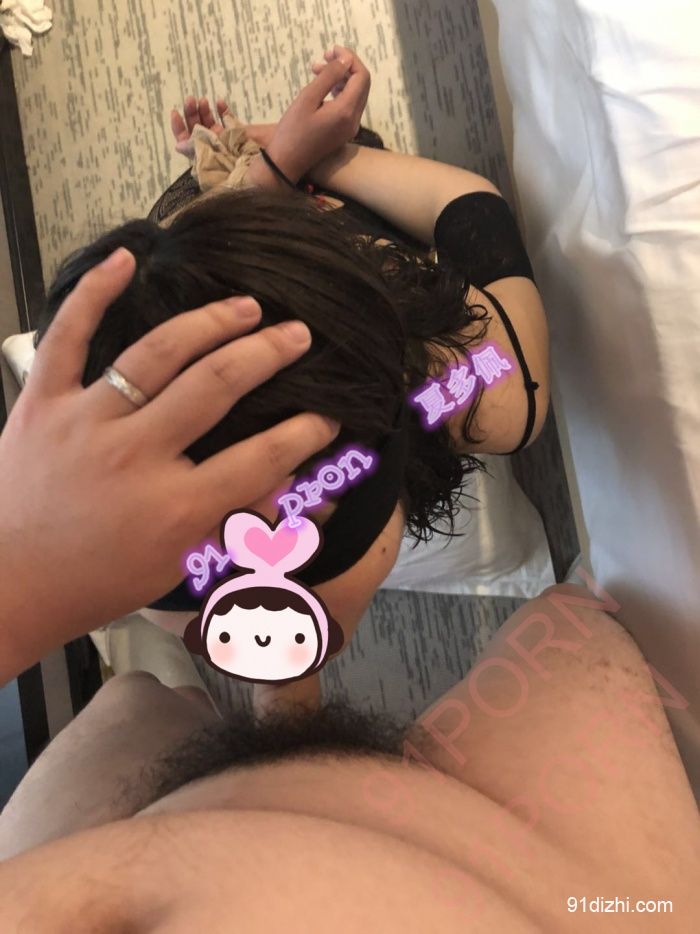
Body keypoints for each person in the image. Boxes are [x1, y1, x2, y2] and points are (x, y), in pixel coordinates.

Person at [0, 258, 698, 931]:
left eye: (309, 533)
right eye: (191, 571)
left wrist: (20, 587)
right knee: (579, 637)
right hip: (549, 890)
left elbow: (476, 252)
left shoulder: (463, 391)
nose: (254, 601)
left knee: (135, 700)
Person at [33, 46, 550, 712]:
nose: (258, 633)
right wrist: (282, 157)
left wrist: (301, 156)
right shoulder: (119, 559)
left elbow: (468, 206)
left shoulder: (477, 381)